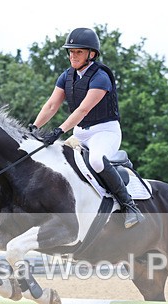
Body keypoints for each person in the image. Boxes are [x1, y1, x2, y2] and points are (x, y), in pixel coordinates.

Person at [30, 27, 143, 228]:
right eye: (71, 52)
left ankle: (129, 206)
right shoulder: (66, 77)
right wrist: (33, 127)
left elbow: (83, 110)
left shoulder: (101, 77)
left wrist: (58, 130)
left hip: (105, 131)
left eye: (79, 52)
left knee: (97, 161)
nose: (73, 56)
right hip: (80, 132)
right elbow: (51, 105)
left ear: (91, 54)